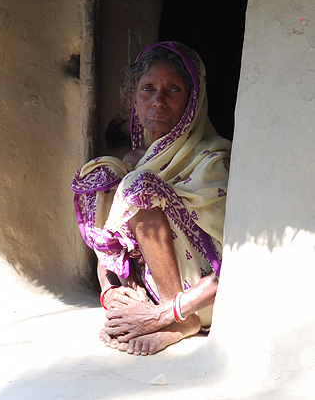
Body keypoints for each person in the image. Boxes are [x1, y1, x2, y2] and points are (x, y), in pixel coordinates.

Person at [71, 41, 231, 355]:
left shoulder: (213, 160)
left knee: (138, 188)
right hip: (153, 293)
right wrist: (110, 290)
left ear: (193, 101)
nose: (158, 101)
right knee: (102, 176)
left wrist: (169, 312)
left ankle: (176, 322)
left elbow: (233, 265)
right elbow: (110, 238)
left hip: (200, 299)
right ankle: (133, 294)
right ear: (134, 99)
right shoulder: (134, 160)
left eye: (173, 90)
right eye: (147, 89)